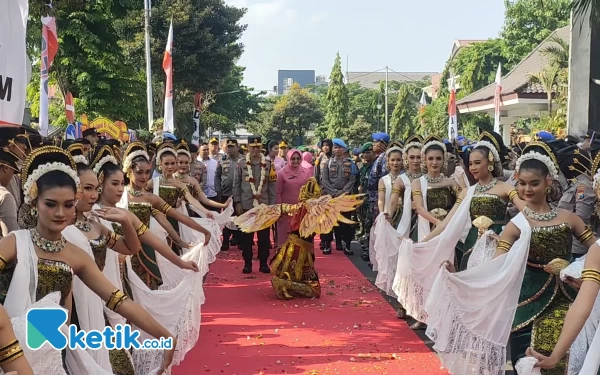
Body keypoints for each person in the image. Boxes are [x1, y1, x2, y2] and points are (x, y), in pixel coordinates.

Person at [3, 145, 176, 373]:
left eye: (68, 205)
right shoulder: (15, 243)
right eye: (50, 204)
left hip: (52, 348)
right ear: (34, 203)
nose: (60, 213)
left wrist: (164, 335)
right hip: (7, 345)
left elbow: (118, 300)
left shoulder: (76, 255)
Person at [424, 147, 596, 375]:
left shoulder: (569, 219)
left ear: (547, 182)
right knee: (525, 363)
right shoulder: (516, 225)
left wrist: (576, 270)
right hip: (525, 303)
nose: (527, 189)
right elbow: (495, 265)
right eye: (522, 183)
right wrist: (458, 276)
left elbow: (595, 249)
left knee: (566, 360)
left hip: (568, 299)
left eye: (533, 183)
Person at [234, 177, 363, 300]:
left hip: (289, 246)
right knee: (315, 289)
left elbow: (272, 209)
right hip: (302, 251)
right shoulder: (315, 207)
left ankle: (286, 282)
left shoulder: (292, 207)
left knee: (294, 273)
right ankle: (285, 284)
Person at [233, 136, 276, 274]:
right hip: (246, 204)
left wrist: (272, 206)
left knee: (264, 238)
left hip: (264, 205)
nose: (256, 150)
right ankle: (247, 263)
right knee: (247, 238)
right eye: (253, 147)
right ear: (248, 147)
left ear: (261, 147)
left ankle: (263, 263)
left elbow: (272, 187)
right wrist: (237, 202)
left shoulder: (268, 164)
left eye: (258, 147)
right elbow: (236, 184)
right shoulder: (241, 163)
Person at [320, 138, 357, 255]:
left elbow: (352, 180)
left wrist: (343, 192)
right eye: (335, 147)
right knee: (329, 221)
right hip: (331, 197)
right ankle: (327, 244)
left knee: (346, 222)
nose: (337, 150)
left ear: (344, 149)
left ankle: (347, 244)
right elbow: (324, 180)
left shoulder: (350, 164)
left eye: (340, 147)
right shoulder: (327, 163)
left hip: (345, 197)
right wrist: (334, 192)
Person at [276, 149, 311, 249]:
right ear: (288, 159)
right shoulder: (281, 173)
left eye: (298, 158)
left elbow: (309, 190)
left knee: (301, 237)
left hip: (302, 211)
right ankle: (283, 261)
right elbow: (278, 192)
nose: (296, 161)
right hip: (286, 211)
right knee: (285, 237)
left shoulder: (306, 172)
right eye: (293, 159)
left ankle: (301, 261)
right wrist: (280, 209)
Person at [217, 138, 243, 251]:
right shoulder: (222, 160)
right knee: (226, 218)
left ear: (237, 147)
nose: (230, 149)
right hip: (225, 194)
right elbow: (217, 177)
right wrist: (218, 191)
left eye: (232, 147)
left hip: (240, 194)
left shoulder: (243, 160)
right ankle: (225, 241)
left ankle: (241, 241)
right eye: (228, 147)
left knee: (240, 218)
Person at [0, 148, 20, 237]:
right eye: (13, 172)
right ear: (6, 168)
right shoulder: (5, 196)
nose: (12, 176)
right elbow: (11, 237)